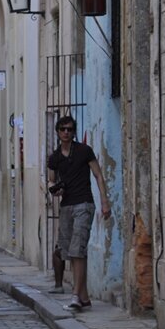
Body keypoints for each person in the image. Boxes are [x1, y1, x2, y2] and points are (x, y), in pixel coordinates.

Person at [47, 116, 111, 311]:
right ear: (58, 132)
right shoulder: (55, 157)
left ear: (74, 132)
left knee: (78, 248)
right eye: (63, 129)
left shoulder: (84, 151)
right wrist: (55, 189)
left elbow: (98, 175)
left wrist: (104, 201)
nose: (66, 132)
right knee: (70, 251)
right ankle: (84, 297)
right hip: (66, 206)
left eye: (69, 129)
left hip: (84, 203)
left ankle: (75, 296)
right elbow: (51, 180)